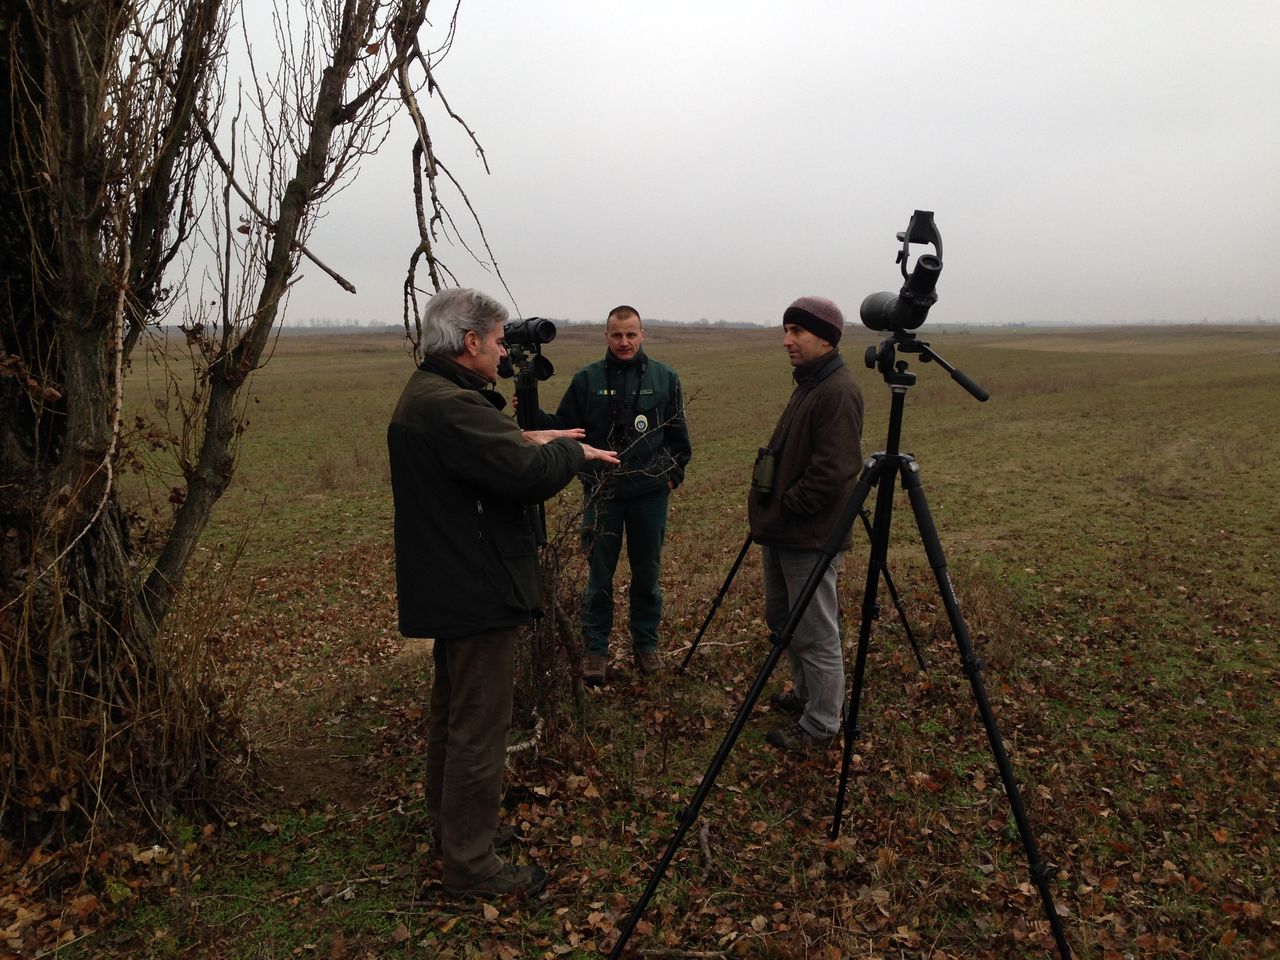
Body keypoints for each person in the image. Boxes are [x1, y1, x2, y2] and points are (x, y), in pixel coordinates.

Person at [388, 288, 618, 899]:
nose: (502, 353)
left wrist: (532, 440)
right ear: (470, 342)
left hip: (455, 578)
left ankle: (454, 831)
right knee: (480, 726)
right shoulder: (451, 405)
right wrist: (566, 450)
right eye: (496, 342)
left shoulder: (435, 395)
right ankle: (470, 864)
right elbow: (525, 476)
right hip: (477, 584)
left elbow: (487, 458)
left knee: (455, 714)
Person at [533, 305, 692, 686]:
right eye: (617, 335)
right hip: (602, 493)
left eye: (631, 335)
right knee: (599, 576)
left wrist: (670, 479)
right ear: (606, 336)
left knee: (647, 574)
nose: (624, 342)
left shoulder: (665, 378)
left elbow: (679, 441)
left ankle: (646, 644)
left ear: (642, 335)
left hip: (649, 496)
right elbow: (567, 428)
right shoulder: (587, 379)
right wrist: (533, 415)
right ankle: (595, 650)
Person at [748, 296, 864, 754]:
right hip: (785, 532)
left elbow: (833, 473)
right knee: (784, 620)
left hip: (809, 536)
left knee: (815, 632)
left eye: (796, 331)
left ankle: (821, 724)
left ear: (826, 339)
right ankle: (805, 695)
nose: (787, 340)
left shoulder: (837, 391)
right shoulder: (812, 382)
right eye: (786, 330)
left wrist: (783, 510)